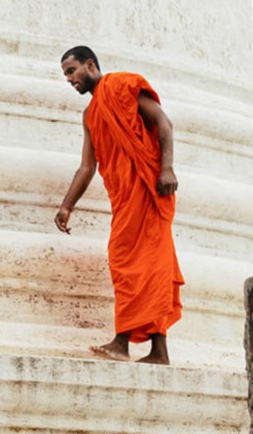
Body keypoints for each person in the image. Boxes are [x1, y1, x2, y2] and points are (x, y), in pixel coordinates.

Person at [54, 46, 183, 364]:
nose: (69, 80)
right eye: (65, 75)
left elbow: (163, 123)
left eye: (72, 71)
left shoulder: (123, 85)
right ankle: (158, 352)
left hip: (150, 188)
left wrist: (167, 168)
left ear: (90, 65)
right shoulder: (90, 114)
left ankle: (122, 342)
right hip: (124, 199)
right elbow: (87, 166)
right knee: (133, 264)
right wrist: (66, 206)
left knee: (146, 264)